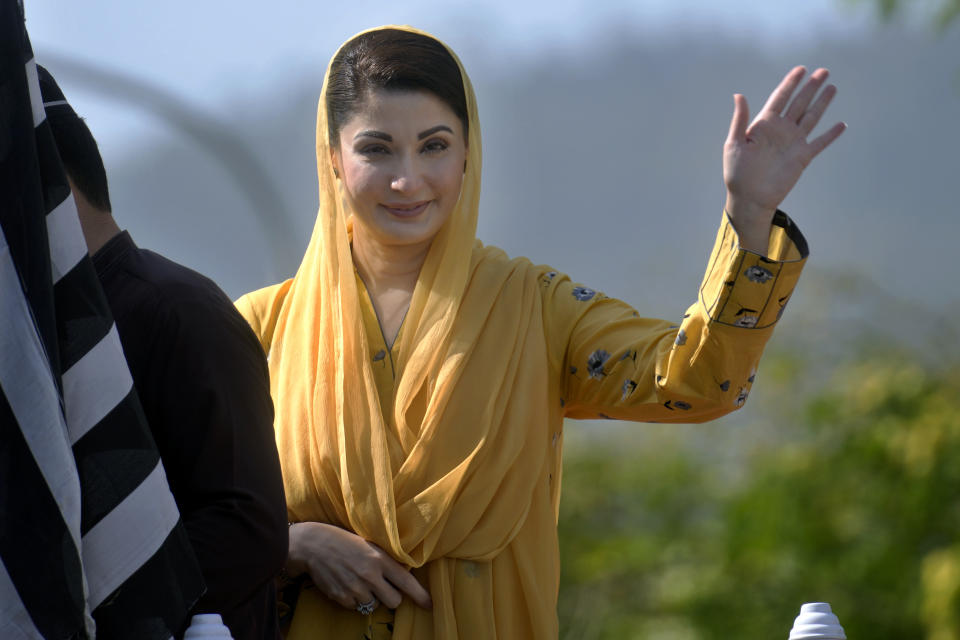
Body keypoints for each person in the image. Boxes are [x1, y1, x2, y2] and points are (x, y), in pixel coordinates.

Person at [235, 25, 845, 639]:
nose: (407, 179)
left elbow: (696, 382)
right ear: (333, 157)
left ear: (469, 153)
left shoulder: (534, 308)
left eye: (434, 146)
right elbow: (179, 514)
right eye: (377, 149)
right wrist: (292, 542)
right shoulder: (260, 331)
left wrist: (749, 214)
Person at [37, 66, 290, 640]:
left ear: (48, 191)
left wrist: (92, 598)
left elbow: (246, 525)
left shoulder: (177, 310)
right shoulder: (34, 335)